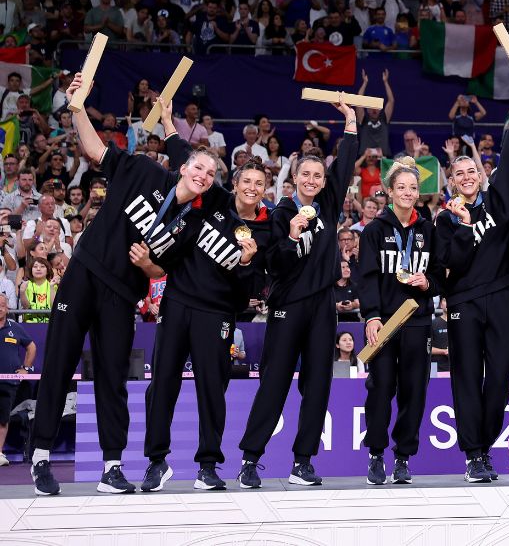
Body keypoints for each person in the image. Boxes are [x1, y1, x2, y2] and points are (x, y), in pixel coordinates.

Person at [31, 77, 220, 497]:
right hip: (85, 274)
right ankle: (41, 456)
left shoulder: (191, 224)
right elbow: (95, 150)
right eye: (199, 167)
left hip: (122, 293)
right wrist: (78, 107)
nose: (204, 175)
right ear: (183, 166)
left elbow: (160, 272)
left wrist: (148, 263)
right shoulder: (143, 169)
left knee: (112, 376)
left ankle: (112, 466)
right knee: (59, 363)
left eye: (210, 173)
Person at [139, 121, 269, 492]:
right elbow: (190, 163)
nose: (252, 188)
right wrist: (168, 127)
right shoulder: (216, 200)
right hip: (178, 301)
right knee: (163, 382)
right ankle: (156, 461)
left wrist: (245, 264)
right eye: (247, 181)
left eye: (260, 184)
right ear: (236, 183)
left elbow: (253, 290)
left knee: (212, 389)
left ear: (264, 191)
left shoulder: (266, 229)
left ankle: (208, 465)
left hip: (218, 315)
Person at [238, 99, 359, 489]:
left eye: (317, 176)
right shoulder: (278, 213)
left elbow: (346, 161)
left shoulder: (327, 204)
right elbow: (275, 264)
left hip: (323, 305)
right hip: (288, 306)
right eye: (305, 174)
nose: (311, 180)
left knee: (318, 383)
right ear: (294, 176)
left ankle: (302, 461)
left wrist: (352, 122)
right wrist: (291, 237)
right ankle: (250, 460)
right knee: (274, 384)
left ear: (324, 182)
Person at [435, 81, 509, 483]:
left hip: (500, 298)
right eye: (459, 174)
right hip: (462, 304)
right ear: (453, 181)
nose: (467, 176)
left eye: (472, 170)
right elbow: (450, 265)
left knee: (499, 381)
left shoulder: (497, 202)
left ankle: (484, 441)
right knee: (466, 378)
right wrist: (462, 226)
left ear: (480, 173)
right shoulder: (444, 219)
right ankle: (474, 453)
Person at [358, 160, 443, 485]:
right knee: (379, 390)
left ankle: (403, 457)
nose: (408, 192)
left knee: (414, 393)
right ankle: (376, 454)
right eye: (402, 187)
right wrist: (372, 315)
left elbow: (439, 275)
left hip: (418, 322)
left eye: (413, 188)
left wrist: (428, 284)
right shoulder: (375, 230)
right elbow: (366, 277)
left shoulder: (428, 230)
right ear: (390, 192)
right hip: (384, 324)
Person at [0, 299, 35, 466]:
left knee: (2, 419)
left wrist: (26, 369)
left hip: (8, 384)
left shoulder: (15, 328)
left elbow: (31, 347)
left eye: (2, 305)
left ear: (7, 308)